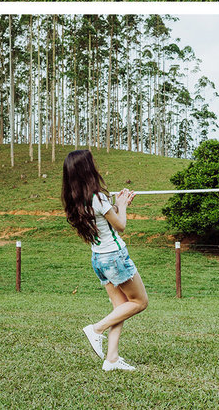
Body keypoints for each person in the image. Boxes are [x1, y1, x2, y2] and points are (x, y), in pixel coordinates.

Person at [60, 149, 149, 372]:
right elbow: (120, 225)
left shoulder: (77, 200)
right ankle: (96, 329)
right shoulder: (98, 197)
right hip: (115, 257)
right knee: (140, 302)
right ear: (87, 169)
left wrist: (119, 202)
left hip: (99, 259)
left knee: (120, 307)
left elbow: (107, 220)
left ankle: (111, 359)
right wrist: (123, 205)